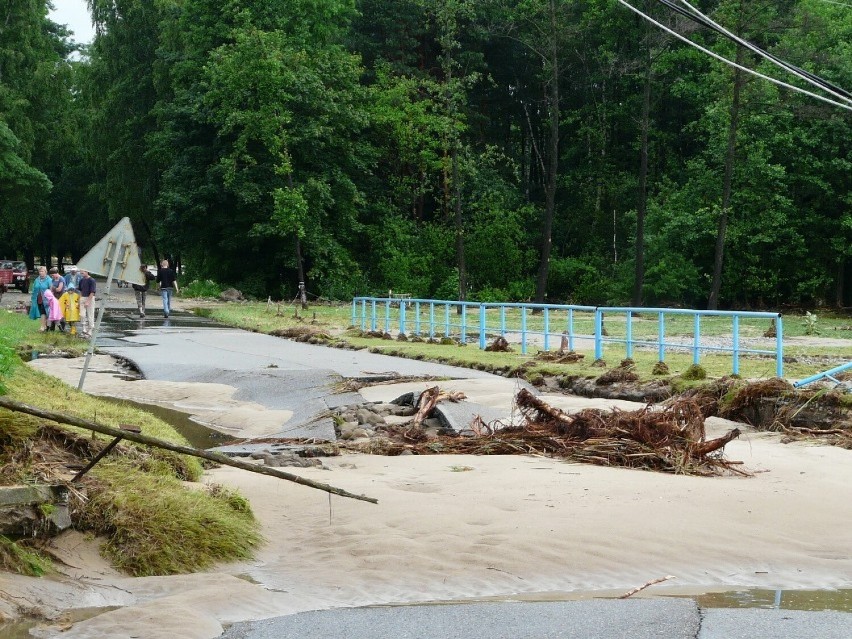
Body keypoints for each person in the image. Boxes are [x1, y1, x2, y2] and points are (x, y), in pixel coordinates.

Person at [29, 266, 51, 331]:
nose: (41, 273)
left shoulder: (49, 280)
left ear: (45, 272)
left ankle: (42, 326)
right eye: (40, 271)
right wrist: (33, 298)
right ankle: (44, 326)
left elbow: (51, 289)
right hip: (38, 298)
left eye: (42, 271)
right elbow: (33, 289)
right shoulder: (37, 279)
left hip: (46, 299)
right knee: (41, 312)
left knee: (43, 312)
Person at [62, 265, 82, 335]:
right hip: (68, 292)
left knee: (73, 317)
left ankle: (73, 328)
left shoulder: (79, 276)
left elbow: (80, 284)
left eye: (74, 271)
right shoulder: (67, 276)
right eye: (72, 271)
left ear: (76, 271)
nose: (73, 272)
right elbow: (64, 283)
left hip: (76, 292)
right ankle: (71, 327)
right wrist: (67, 289)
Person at [78, 268, 96, 338]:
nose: (81, 274)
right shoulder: (81, 280)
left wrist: (88, 301)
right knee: (82, 314)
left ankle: (90, 330)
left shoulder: (92, 280)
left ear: (87, 272)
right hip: (83, 297)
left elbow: (92, 292)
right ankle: (84, 329)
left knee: (90, 314)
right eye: (81, 273)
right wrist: (80, 298)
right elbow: (80, 290)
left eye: (82, 273)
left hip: (90, 298)